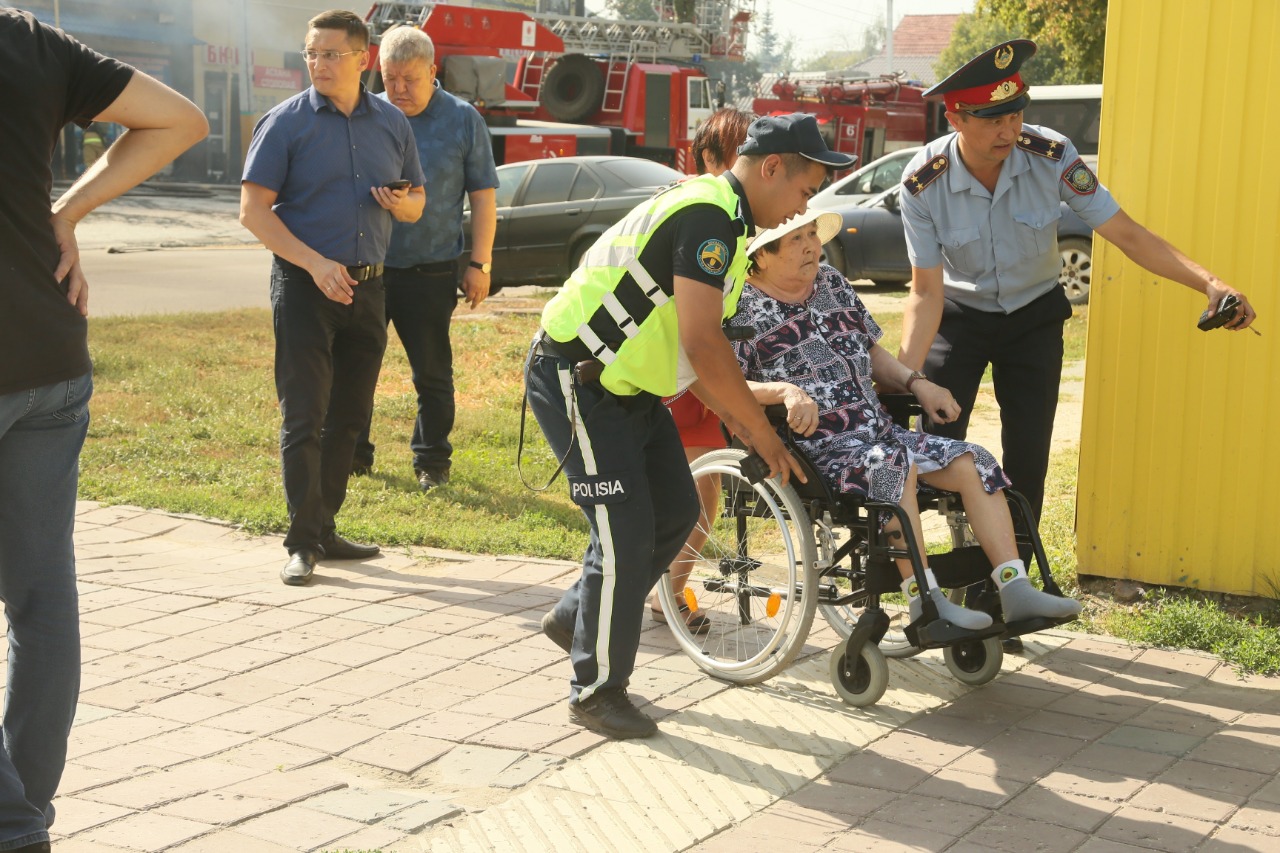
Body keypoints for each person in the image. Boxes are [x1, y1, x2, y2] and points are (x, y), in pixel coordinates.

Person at [528, 113, 854, 740]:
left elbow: (694, 357)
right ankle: (596, 692)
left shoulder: (728, 224)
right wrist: (760, 433)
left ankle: (577, 616)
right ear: (773, 167)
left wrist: (751, 422)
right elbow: (704, 344)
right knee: (623, 536)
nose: (804, 206)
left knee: (677, 512)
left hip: (630, 388)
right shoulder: (709, 216)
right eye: (806, 190)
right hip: (580, 378)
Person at [0, 9, 208, 850]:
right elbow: (181, 122)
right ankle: (25, 816)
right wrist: (66, 213)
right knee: (44, 603)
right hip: (51, 355)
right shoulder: (28, 39)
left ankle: (15, 827)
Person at [897, 40, 1256, 522]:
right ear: (956, 119)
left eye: (1015, 115)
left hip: (1033, 317)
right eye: (992, 120)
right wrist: (906, 381)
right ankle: (936, 565)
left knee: (1028, 453)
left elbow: (1127, 233)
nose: (1009, 130)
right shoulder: (924, 181)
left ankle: (1013, 576)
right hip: (959, 317)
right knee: (933, 444)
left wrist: (1210, 283)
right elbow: (926, 292)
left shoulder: (1051, 154)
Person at [728, 209, 1082, 629]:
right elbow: (726, 386)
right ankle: (925, 602)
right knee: (896, 467)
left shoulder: (832, 284)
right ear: (761, 257)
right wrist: (784, 391)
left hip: (880, 432)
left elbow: (873, 352)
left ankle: (1015, 588)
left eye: (812, 235)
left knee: (974, 461)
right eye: (796, 240)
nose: (812, 246)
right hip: (818, 450)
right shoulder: (740, 308)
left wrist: (917, 384)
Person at [240, 9, 425, 587]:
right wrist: (315, 264)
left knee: (350, 416)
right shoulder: (285, 123)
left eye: (331, 54)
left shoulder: (392, 124)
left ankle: (325, 528)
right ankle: (300, 542)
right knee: (304, 415)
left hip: (370, 286)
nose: (319, 63)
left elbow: (418, 201)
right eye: (312, 53)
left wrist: (400, 204)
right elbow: (252, 212)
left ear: (362, 59)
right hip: (304, 285)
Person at [351, 26, 499, 492]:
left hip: (431, 269)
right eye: (388, 78)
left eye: (408, 80)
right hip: (366, 266)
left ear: (432, 72)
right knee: (355, 366)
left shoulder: (462, 119)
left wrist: (480, 265)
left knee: (433, 374)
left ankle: (431, 461)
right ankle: (353, 454)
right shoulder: (362, 111)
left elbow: (483, 197)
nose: (396, 90)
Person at [652, 106, 755, 633]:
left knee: (705, 488)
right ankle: (651, 589)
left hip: (709, 370)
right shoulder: (695, 210)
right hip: (669, 366)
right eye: (737, 151)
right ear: (710, 157)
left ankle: (668, 592)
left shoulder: (744, 218)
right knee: (658, 489)